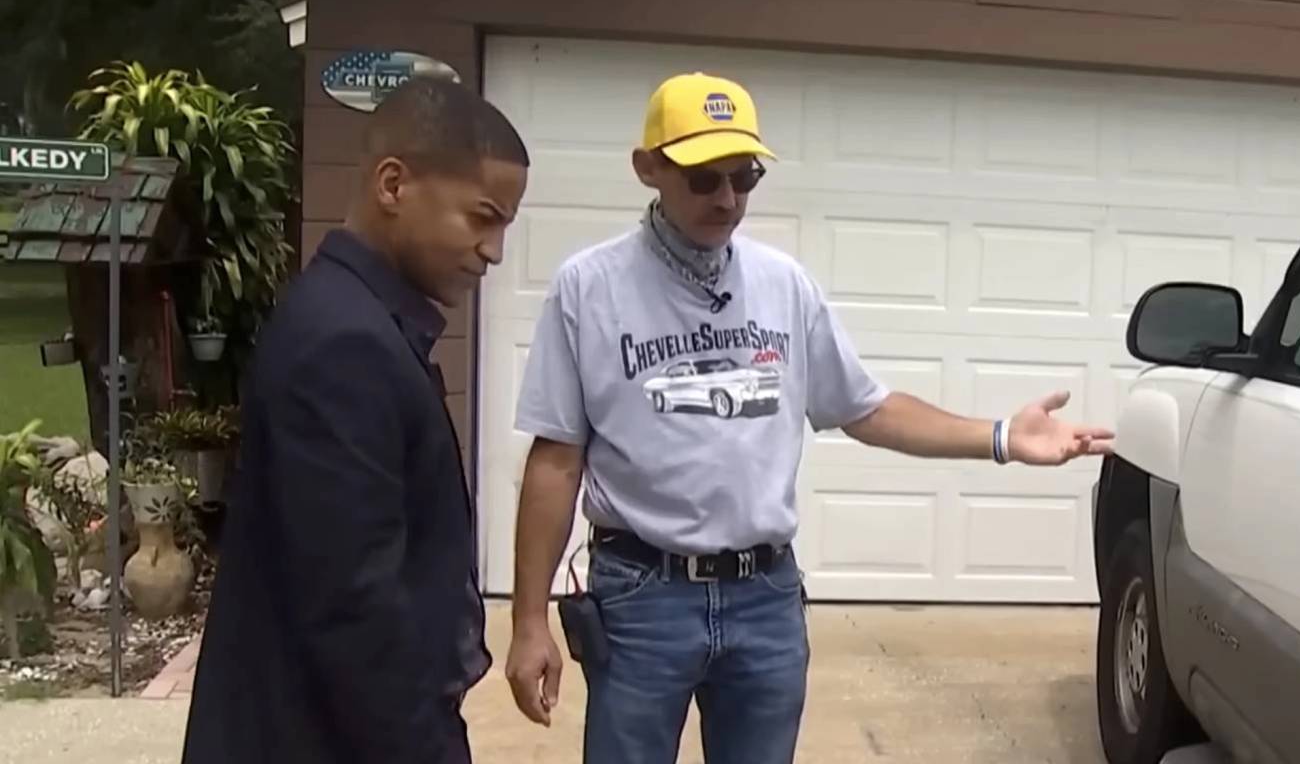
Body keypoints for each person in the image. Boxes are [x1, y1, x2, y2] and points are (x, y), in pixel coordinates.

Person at [503, 71, 1113, 763]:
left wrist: (1000, 437)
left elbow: (867, 408)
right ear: (649, 168)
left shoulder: (782, 285)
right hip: (643, 597)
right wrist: (528, 622)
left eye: (746, 177)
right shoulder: (590, 287)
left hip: (765, 597)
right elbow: (556, 460)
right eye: (704, 179)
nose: (728, 199)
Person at [181, 77, 530, 764]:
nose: (493, 250)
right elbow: (353, 610)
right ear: (393, 186)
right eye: (482, 217)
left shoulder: (358, 320)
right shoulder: (345, 342)